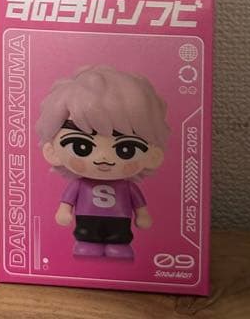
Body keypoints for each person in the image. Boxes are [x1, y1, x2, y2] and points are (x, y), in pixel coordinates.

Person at [36, 64, 168, 259]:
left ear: (153, 156)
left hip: (120, 220)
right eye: (81, 146)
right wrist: (64, 211)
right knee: (86, 236)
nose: (103, 157)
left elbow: (139, 204)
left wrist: (143, 214)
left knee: (119, 237)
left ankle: (119, 245)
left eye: (126, 149)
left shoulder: (127, 187)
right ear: (52, 152)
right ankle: (87, 244)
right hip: (87, 219)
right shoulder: (81, 184)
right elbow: (67, 201)